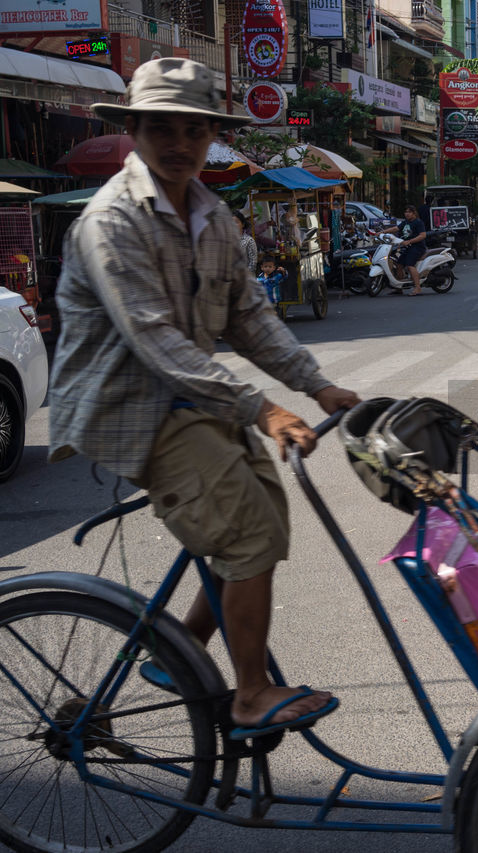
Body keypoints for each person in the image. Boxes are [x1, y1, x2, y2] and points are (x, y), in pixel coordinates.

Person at [49, 57, 362, 740]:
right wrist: (265, 408)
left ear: (210, 136)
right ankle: (249, 694)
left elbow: (249, 318)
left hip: (192, 400)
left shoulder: (214, 216)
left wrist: (316, 383)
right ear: (134, 129)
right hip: (127, 403)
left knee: (263, 513)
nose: (179, 144)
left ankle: (180, 651)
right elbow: (157, 342)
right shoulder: (111, 222)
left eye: (194, 130)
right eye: (162, 128)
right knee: (246, 530)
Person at [378, 204, 428, 295]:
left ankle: (418, 287)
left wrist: (409, 241)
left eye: (409, 212)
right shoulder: (406, 222)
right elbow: (396, 228)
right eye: (406, 212)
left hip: (417, 247)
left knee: (410, 265)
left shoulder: (418, 222)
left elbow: (423, 235)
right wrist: (383, 232)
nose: (407, 214)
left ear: (414, 213)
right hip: (408, 247)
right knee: (399, 264)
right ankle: (399, 288)